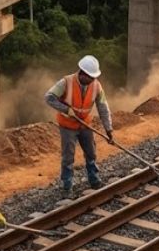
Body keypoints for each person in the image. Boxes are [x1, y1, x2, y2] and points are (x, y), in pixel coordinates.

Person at [46, 54, 113, 195]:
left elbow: (103, 108)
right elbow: (49, 97)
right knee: (68, 156)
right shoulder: (66, 82)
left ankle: (94, 179)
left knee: (91, 153)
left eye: (94, 77)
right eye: (90, 77)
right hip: (68, 126)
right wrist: (66, 109)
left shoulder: (96, 85)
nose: (93, 80)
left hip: (85, 125)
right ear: (82, 73)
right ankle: (67, 185)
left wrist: (109, 130)